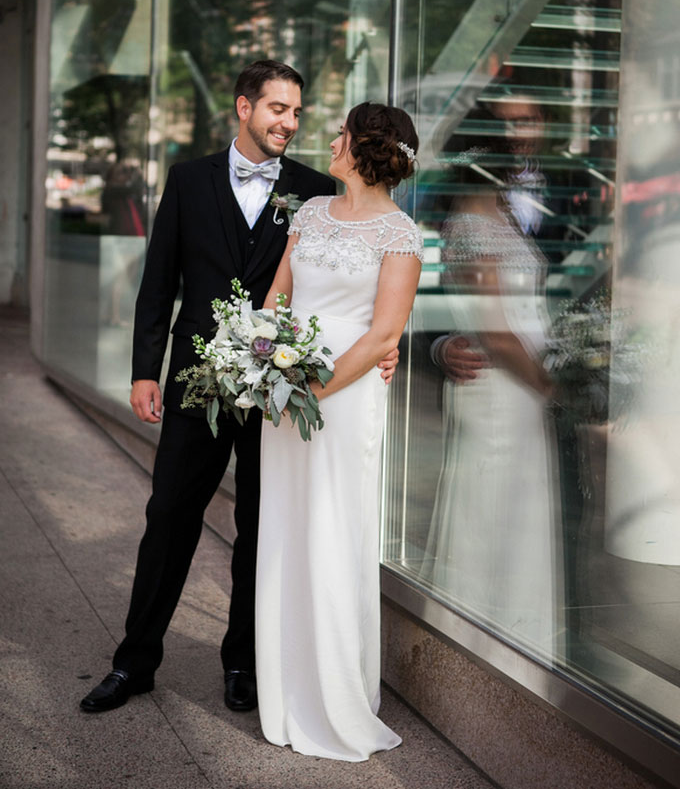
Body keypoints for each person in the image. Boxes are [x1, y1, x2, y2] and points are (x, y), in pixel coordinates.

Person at [80, 60, 347, 715]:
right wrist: (146, 369)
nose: (288, 121)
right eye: (277, 108)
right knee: (168, 516)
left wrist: (379, 346)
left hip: (276, 389)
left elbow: (335, 282)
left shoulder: (315, 190)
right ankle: (133, 662)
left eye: (296, 112)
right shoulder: (189, 178)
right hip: (195, 385)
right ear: (243, 107)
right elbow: (160, 279)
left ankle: (244, 665)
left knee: (260, 526)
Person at [255, 101, 423, 761]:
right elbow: (276, 298)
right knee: (287, 528)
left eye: (342, 134)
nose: (330, 140)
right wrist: (265, 364)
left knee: (332, 528)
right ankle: (283, 687)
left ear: (367, 148)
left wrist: (311, 391)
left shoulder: (401, 235)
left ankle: (334, 696)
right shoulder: (311, 213)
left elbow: (384, 333)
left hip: (342, 398)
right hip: (287, 389)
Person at [422, 100, 563, 658]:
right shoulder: (471, 223)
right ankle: (480, 644)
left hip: (519, 388)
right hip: (504, 390)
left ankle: (516, 639)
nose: (523, 148)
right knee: (492, 508)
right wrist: (555, 385)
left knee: (515, 508)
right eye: (512, 140)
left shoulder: (498, 216)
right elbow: (497, 333)